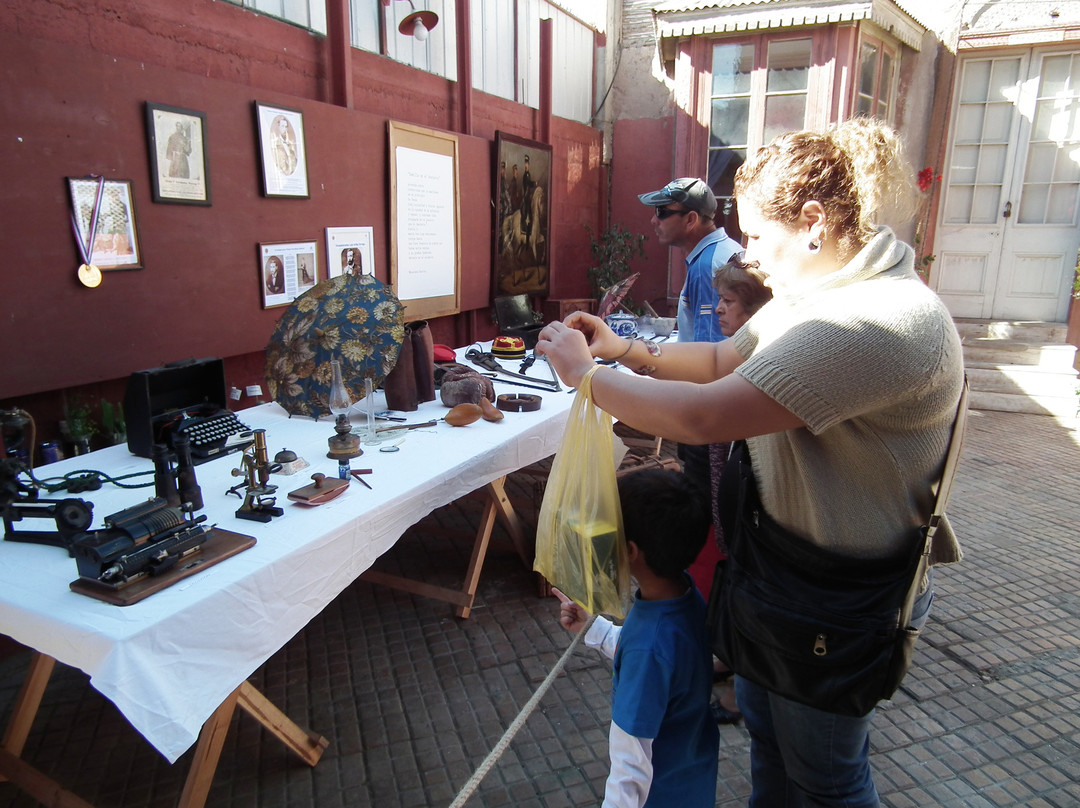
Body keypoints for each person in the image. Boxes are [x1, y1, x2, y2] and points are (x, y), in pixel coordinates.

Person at [537, 118, 965, 807]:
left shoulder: (878, 321)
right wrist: (620, 350)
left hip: (837, 600)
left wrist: (587, 378)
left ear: (816, 222)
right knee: (773, 746)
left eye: (761, 237)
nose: (752, 256)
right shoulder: (819, 298)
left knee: (828, 779)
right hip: (785, 580)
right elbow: (715, 359)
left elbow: (706, 413)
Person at [553, 467, 718, 808]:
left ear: (629, 551)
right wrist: (595, 629)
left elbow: (630, 764)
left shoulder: (649, 646)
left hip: (659, 795)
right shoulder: (684, 595)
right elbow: (659, 659)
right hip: (693, 780)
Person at [688, 253, 774, 726]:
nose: (718, 310)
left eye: (727, 302)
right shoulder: (742, 356)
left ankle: (742, 688)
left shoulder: (761, 365)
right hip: (732, 500)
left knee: (739, 584)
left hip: (753, 514)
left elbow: (701, 411)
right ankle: (730, 659)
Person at [636, 178, 742, 510]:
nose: (654, 220)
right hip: (724, 412)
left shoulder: (708, 266)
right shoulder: (720, 252)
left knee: (701, 501)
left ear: (691, 219)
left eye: (662, 212)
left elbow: (713, 358)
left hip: (709, 417)